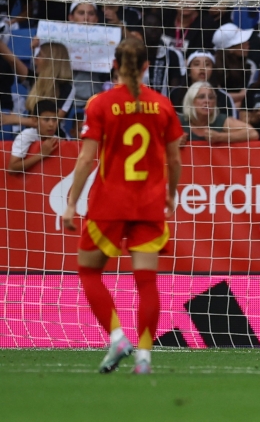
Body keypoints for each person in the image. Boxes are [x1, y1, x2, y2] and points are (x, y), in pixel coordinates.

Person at [62, 38, 184, 375]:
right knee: (146, 281)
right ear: (147, 67)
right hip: (148, 204)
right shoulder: (162, 105)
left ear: (113, 65)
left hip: (109, 203)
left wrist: (71, 203)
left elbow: (87, 159)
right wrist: (170, 195)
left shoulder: (101, 103)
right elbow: (174, 160)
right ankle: (144, 357)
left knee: (88, 271)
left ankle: (117, 336)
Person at [180, 81, 259, 144]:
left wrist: (220, 137)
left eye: (211, 98)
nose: (207, 101)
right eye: (201, 97)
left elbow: (253, 133)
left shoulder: (220, 120)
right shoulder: (179, 121)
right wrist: (172, 142)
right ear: (191, 101)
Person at [169, 50, 238, 119]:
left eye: (207, 64)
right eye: (196, 64)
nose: (202, 68)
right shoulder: (176, 93)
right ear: (189, 71)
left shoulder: (224, 98)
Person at [6, 100, 60, 174]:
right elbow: (11, 169)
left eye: (54, 120)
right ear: (35, 120)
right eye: (46, 119)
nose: (51, 124)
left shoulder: (57, 140)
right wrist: (41, 154)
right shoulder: (25, 136)